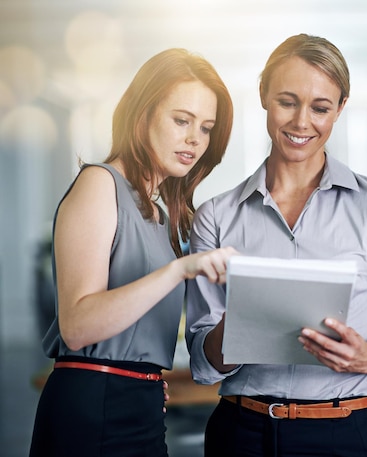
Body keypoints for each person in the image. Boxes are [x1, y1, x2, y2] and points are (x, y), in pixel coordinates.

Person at [185, 33, 367, 457]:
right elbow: (203, 364)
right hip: (242, 432)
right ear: (263, 96)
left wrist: (365, 357)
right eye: (287, 101)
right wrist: (243, 321)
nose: (301, 122)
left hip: (342, 433)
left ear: (341, 108)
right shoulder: (215, 217)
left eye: (320, 108)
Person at [29, 48, 238, 457]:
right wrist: (180, 269)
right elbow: (77, 325)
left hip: (140, 408)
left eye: (206, 127)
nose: (195, 139)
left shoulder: (161, 215)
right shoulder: (99, 184)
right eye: (182, 120)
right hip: (92, 410)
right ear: (142, 116)